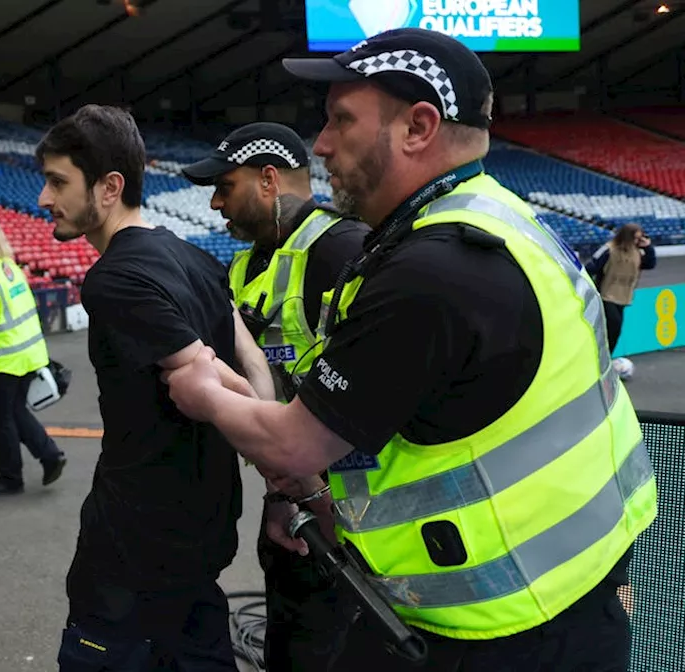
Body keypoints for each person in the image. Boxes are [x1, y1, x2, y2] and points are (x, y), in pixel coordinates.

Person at [162, 28, 656, 671]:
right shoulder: (500, 216)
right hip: (571, 588)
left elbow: (294, 445)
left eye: (341, 120)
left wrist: (200, 388)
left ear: (418, 127)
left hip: (493, 626)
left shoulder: (432, 271)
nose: (321, 145)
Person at [35, 104, 271, 671]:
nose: (44, 198)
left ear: (110, 186)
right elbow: (252, 361)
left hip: (134, 553)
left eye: (58, 181)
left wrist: (290, 468)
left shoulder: (113, 278)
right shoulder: (193, 256)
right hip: (202, 535)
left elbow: (210, 375)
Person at [181, 121, 369, 671]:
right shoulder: (247, 264)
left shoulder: (343, 249)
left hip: (352, 521)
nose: (215, 203)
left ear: (268, 180)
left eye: (225, 186)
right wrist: (282, 499)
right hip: (293, 505)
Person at [0, 218, 66, 496]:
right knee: (16, 411)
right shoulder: (10, 269)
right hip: (27, 358)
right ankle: (50, 455)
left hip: (1, 364)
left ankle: (10, 477)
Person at [585, 223, 656, 376]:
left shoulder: (638, 253)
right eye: (636, 238)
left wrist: (648, 247)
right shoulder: (609, 249)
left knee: (614, 331)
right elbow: (591, 267)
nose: (639, 241)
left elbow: (650, 264)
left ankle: (604, 361)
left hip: (623, 297)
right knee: (613, 325)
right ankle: (600, 362)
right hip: (606, 294)